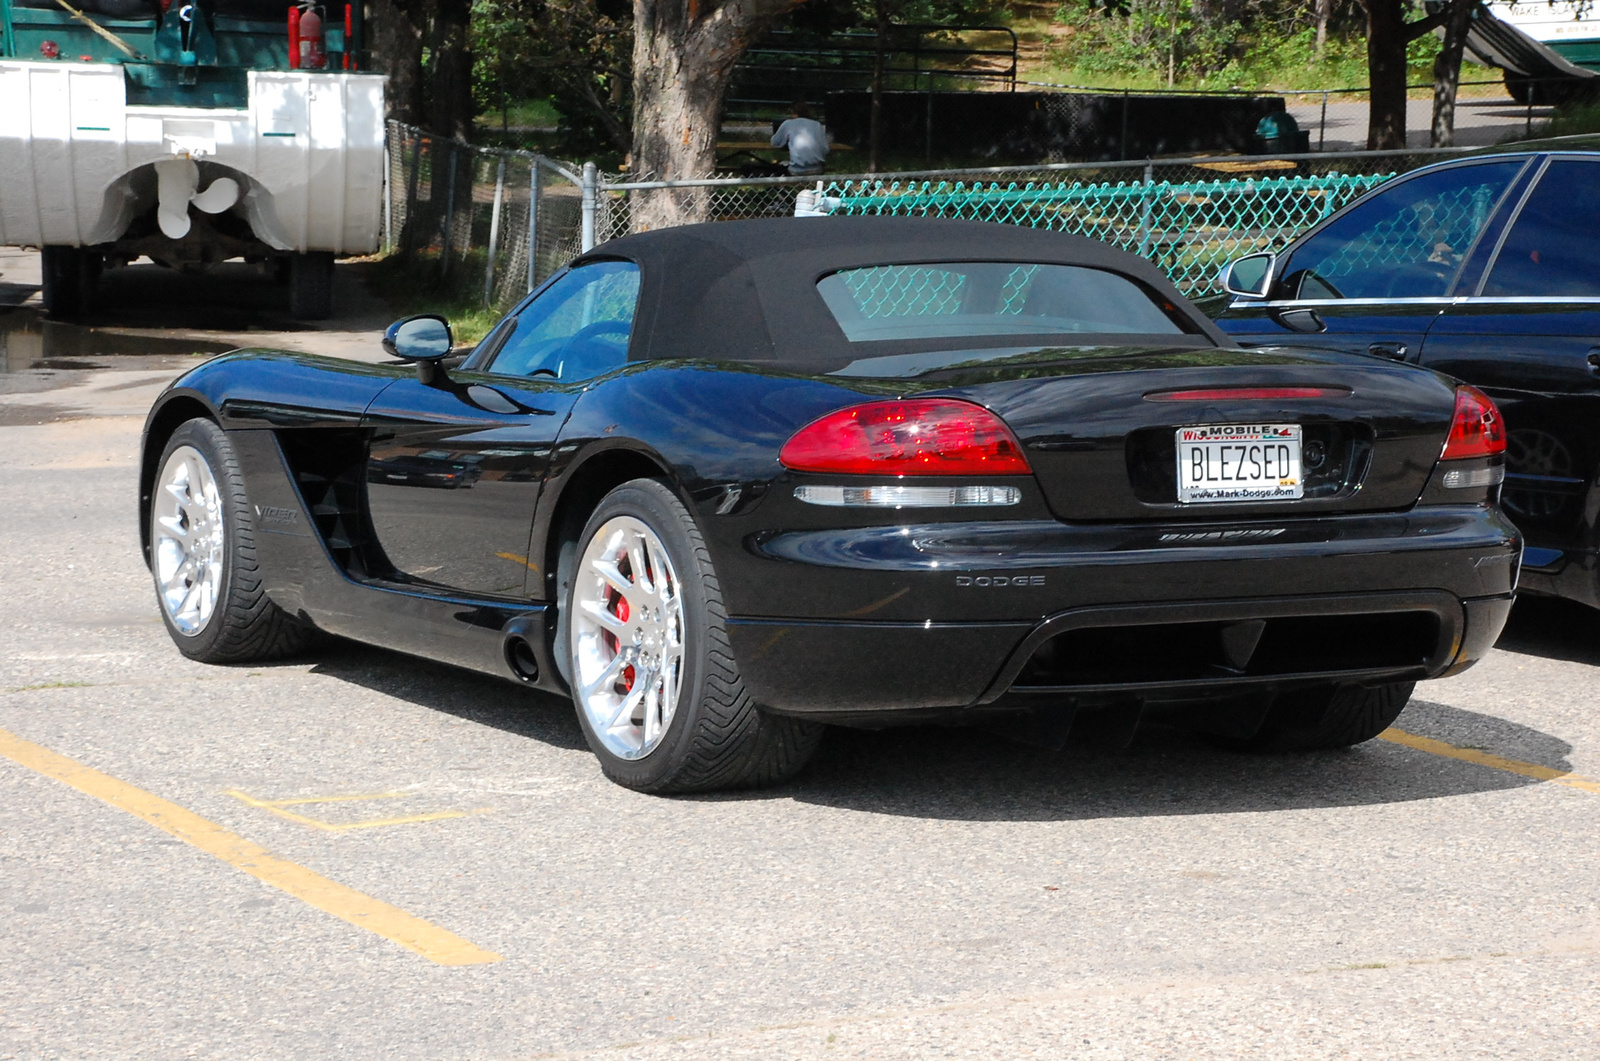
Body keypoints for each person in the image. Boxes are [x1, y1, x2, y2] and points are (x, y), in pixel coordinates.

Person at [771, 102, 830, 176]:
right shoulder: (817, 125)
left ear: (793, 113)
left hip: (796, 170)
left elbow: (775, 142)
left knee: (781, 165)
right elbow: (825, 149)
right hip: (817, 169)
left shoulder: (788, 124)